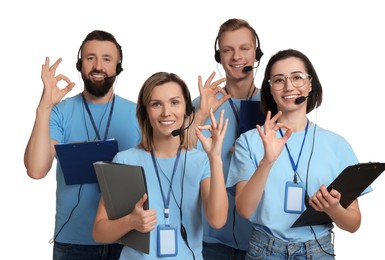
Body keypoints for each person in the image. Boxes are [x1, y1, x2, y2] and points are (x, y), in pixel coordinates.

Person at [227, 49, 369, 259]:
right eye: (278, 80)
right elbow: (245, 210)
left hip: (318, 251)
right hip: (264, 251)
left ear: (310, 84)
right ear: (270, 89)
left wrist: (334, 209)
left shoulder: (337, 145)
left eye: (297, 78)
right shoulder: (249, 142)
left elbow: (353, 224)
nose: (289, 87)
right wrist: (267, 162)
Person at [24, 30, 141, 259]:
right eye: (90, 58)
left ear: (118, 67)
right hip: (73, 244)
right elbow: (36, 170)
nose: (98, 66)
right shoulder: (59, 112)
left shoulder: (139, 113)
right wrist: (44, 108)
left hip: (126, 240)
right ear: (80, 64)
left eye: (107, 59)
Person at [92, 72, 229, 259]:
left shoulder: (200, 161)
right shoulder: (125, 160)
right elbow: (99, 232)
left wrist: (215, 159)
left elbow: (217, 221)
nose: (166, 112)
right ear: (145, 112)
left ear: (186, 109)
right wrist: (130, 222)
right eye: (156, 104)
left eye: (174, 102)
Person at [191, 18, 263, 259]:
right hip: (209, 238)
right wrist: (200, 114)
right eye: (227, 50)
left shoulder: (275, 107)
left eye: (244, 48)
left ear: (256, 54)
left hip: (261, 238)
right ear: (219, 57)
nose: (236, 57)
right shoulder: (201, 105)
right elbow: (177, 155)